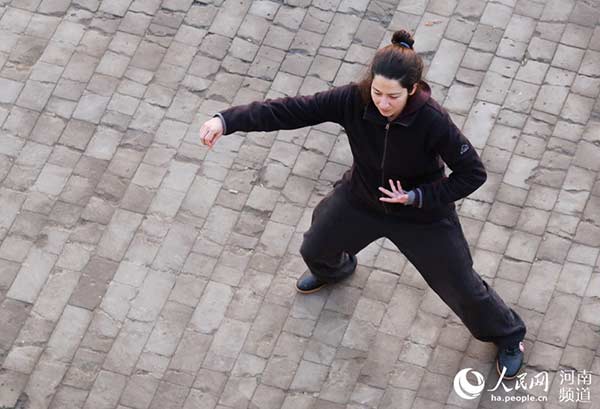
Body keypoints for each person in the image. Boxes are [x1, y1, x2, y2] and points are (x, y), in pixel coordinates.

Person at [199, 29, 527, 379]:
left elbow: (472, 173)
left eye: (392, 97)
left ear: (412, 90)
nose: (382, 103)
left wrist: (418, 197)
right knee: (315, 247)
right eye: (377, 93)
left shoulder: (433, 120)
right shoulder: (353, 100)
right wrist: (226, 120)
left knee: (462, 286)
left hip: (422, 216)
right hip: (363, 198)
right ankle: (337, 270)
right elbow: (293, 110)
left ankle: (508, 337)